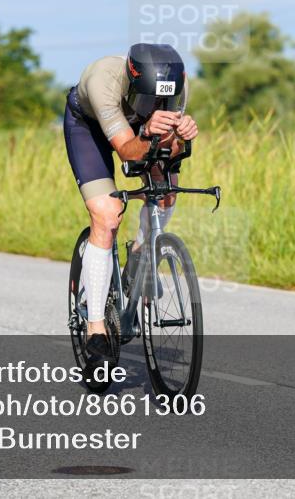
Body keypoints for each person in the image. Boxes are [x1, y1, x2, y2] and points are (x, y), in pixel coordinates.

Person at [63, 43, 199, 360]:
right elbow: (128, 151)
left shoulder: (178, 84)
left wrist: (181, 138)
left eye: (160, 100)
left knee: (165, 193)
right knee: (107, 214)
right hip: (90, 127)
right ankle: (96, 328)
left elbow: (172, 149)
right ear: (131, 83)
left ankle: (139, 255)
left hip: (142, 128)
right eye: (147, 99)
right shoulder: (103, 81)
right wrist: (148, 130)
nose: (154, 104)